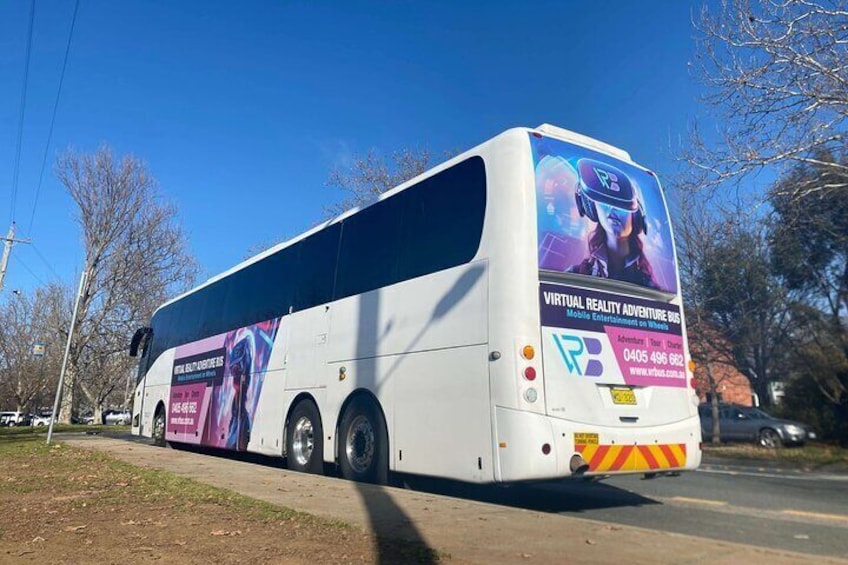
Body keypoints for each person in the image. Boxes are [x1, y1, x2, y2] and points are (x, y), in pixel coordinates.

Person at [568, 158, 658, 289]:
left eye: (622, 203)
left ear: (637, 215)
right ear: (592, 209)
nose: (612, 208)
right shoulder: (575, 275)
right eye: (603, 201)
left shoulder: (650, 288)